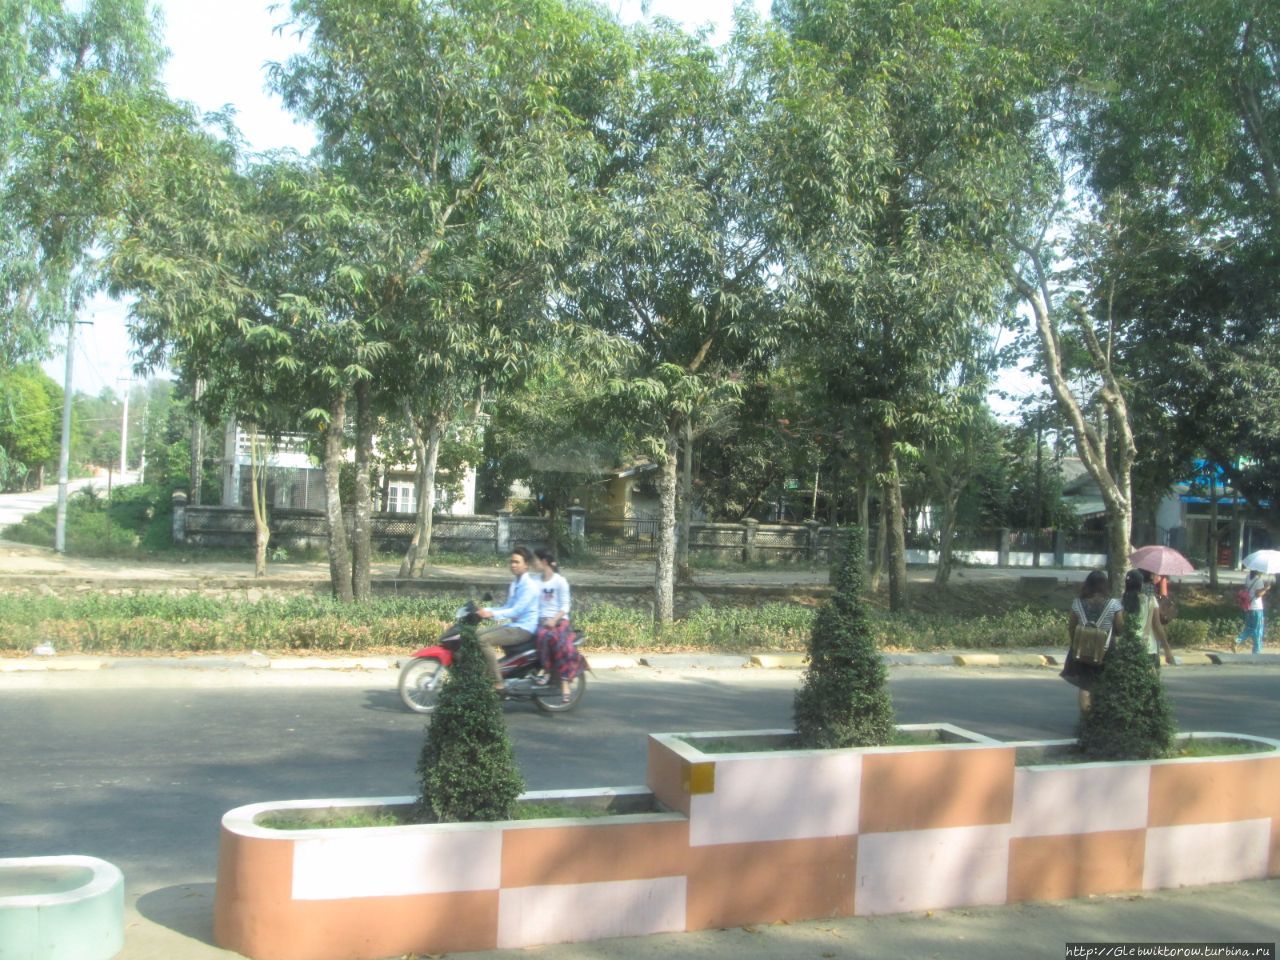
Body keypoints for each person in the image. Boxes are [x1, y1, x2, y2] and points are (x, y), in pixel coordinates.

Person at [476, 546, 540, 690]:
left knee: (483, 640)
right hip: (513, 626)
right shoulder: (515, 583)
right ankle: (482, 672)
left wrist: (492, 614)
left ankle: (497, 681)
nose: (513, 565)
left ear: (526, 565)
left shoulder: (529, 586)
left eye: (517, 562)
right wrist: (485, 610)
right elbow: (508, 607)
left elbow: (516, 611)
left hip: (523, 629)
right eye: (511, 562)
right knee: (475, 634)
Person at [1061, 569, 1124, 713]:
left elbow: (1071, 627)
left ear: (1087, 584)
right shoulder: (1114, 604)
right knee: (1105, 683)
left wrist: (1076, 643)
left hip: (1083, 649)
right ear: (1105, 585)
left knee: (1085, 685)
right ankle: (1099, 717)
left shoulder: (1077, 603)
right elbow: (1120, 628)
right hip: (1107, 650)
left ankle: (1086, 718)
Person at [530, 548, 580, 703]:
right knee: (542, 635)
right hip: (542, 621)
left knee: (558, 642)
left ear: (544, 562)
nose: (533, 564)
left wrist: (553, 620)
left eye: (535, 560)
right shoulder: (535, 581)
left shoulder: (560, 581)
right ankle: (547, 669)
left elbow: (565, 606)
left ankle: (564, 682)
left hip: (559, 620)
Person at [1123, 569, 1175, 668]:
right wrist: (1167, 649)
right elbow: (1157, 626)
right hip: (1148, 648)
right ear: (1140, 584)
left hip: (1127, 648)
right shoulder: (1150, 600)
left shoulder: (1121, 602)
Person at [1234, 568, 1271, 654]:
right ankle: (1256, 651)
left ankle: (1238, 640)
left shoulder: (1248, 577)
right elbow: (1258, 594)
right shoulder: (1259, 581)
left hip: (1248, 607)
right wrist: (1266, 588)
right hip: (1256, 608)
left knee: (1249, 628)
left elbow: (1247, 589)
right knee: (1258, 630)